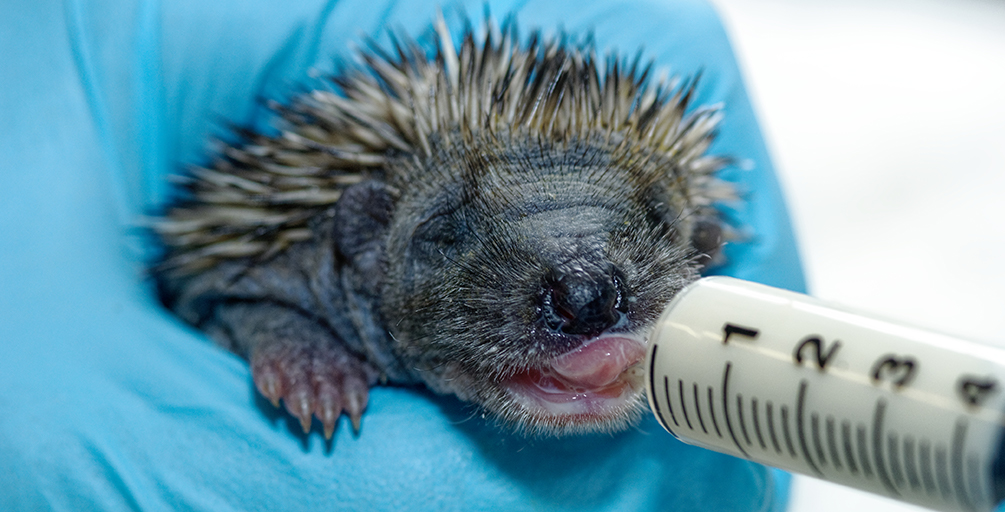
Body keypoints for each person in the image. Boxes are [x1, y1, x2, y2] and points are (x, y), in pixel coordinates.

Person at [0, 0, 810, 509]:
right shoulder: (300, 257)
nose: (587, 295)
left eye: (651, 236)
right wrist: (287, 342)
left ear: (704, 249)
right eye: (454, 232)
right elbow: (212, 281)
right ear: (362, 238)